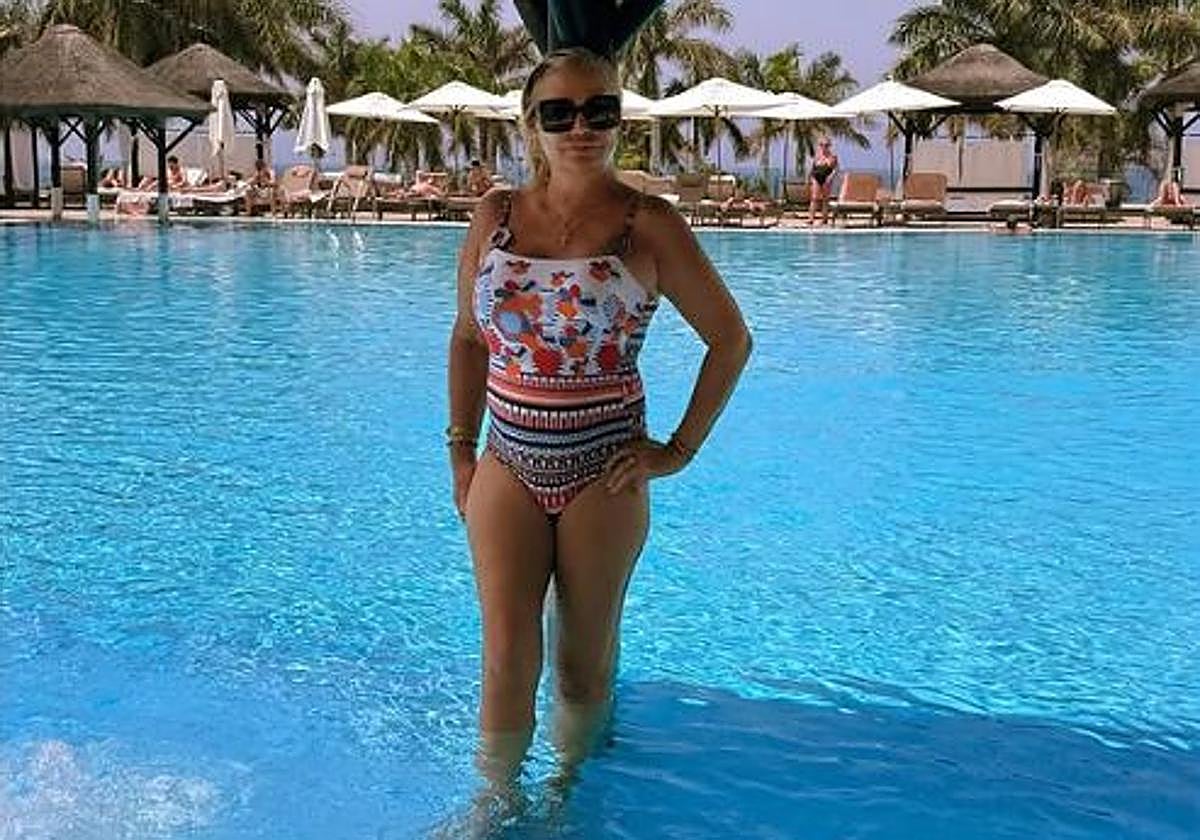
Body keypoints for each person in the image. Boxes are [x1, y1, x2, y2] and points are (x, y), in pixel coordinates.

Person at [446, 46, 751, 798]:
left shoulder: (650, 225)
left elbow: (730, 340)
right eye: (559, 112)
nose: (581, 127)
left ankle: (568, 793)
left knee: (582, 662)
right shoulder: (495, 216)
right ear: (532, 125)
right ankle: (495, 802)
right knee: (506, 654)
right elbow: (468, 338)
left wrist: (678, 449)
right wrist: (461, 451)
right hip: (507, 460)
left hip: (603, 470)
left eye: (599, 110)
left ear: (619, 120)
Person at [808, 137, 839, 226]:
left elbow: (836, 169)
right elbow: (812, 168)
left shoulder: (833, 157)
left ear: (829, 146)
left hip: (826, 178)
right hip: (816, 177)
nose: (824, 147)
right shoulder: (817, 156)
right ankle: (811, 219)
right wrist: (810, 178)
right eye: (822, 145)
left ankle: (824, 219)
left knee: (825, 199)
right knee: (814, 198)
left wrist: (830, 177)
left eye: (826, 145)